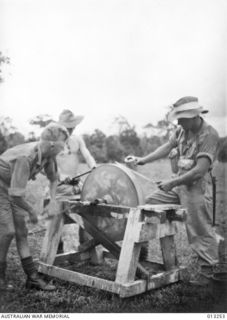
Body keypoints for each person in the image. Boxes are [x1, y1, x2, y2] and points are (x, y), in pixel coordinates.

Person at [125, 96, 220, 285]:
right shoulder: (181, 130)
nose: (178, 122)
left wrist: (173, 182)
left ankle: (208, 272)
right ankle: (141, 249)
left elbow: (200, 170)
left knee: (199, 227)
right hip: (179, 183)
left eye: (182, 118)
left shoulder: (209, 134)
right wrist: (142, 160)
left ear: (194, 116)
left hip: (198, 186)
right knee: (148, 206)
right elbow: (167, 147)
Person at [0, 123, 69, 291]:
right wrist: (31, 211)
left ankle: (32, 278)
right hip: (1, 187)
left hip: (13, 189)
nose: (65, 148)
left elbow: (53, 179)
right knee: (8, 231)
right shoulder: (25, 157)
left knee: (22, 232)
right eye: (63, 144)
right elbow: (16, 195)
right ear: (53, 144)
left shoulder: (48, 155)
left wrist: (53, 202)